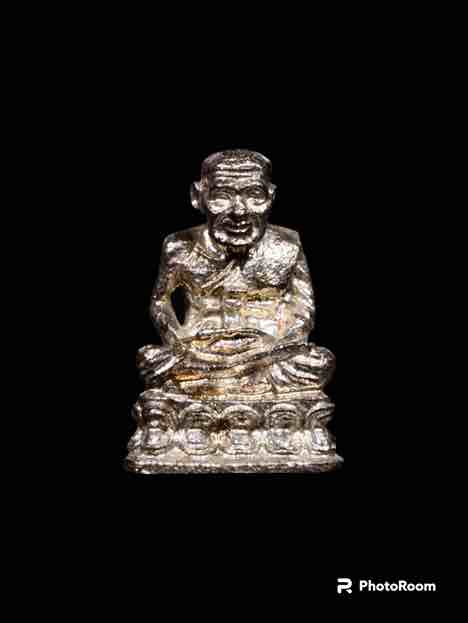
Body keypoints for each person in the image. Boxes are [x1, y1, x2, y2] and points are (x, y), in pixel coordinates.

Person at [137, 149, 335, 398]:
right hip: (200, 350)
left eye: (254, 196)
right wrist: (179, 344)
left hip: (266, 351)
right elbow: (160, 302)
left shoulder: (287, 245)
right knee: (151, 359)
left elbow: (303, 310)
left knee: (318, 361)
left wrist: (277, 345)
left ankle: (218, 385)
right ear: (198, 197)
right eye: (222, 197)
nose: (239, 211)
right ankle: (234, 385)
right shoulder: (179, 247)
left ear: (271, 197)